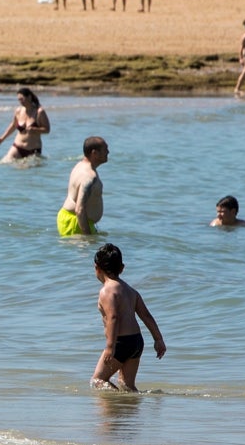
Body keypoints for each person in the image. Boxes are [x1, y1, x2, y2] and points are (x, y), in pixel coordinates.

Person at [90, 244, 167, 392]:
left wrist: (110, 347)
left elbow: (113, 317)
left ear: (97, 268)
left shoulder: (107, 291)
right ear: (122, 268)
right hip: (136, 342)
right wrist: (158, 339)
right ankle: (129, 410)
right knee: (127, 385)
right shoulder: (131, 291)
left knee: (97, 380)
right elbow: (146, 315)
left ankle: (111, 411)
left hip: (120, 343)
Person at [58, 136, 108, 236]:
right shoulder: (89, 176)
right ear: (94, 153)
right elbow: (79, 209)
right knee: (85, 251)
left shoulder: (80, 166)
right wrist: (87, 237)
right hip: (76, 222)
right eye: (105, 149)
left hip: (71, 218)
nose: (108, 152)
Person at [0, 88, 51, 160]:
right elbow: (13, 125)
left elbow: (47, 130)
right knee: (5, 162)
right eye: (19, 100)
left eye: (22, 99)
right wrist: (2, 138)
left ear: (29, 97)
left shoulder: (39, 112)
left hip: (33, 150)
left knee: (27, 169)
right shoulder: (18, 111)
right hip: (17, 147)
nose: (20, 102)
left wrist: (35, 129)